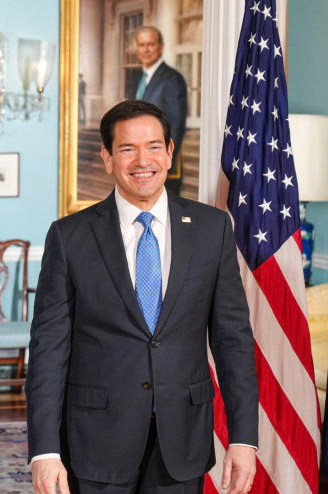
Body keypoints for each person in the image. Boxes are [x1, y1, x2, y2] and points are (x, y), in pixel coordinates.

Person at [26, 100, 258, 494]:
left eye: (153, 146)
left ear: (170, 153)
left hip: (182, 440)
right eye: (127, 149)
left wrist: (243, 438)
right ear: (107, 157)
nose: (141, 160)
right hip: (96, 440)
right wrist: (44, 451)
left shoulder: (212, 228)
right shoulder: (69, 236)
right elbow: (49, 350)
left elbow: (232, 341)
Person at [126, 26, 187, 195]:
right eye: (141, 45)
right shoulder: (137, 79)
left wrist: (165, 163)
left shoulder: (172, 79)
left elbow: (175, 126)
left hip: (162, 169)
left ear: (160, 47)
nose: (145, 50)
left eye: (150, 44)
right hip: (139, 166)